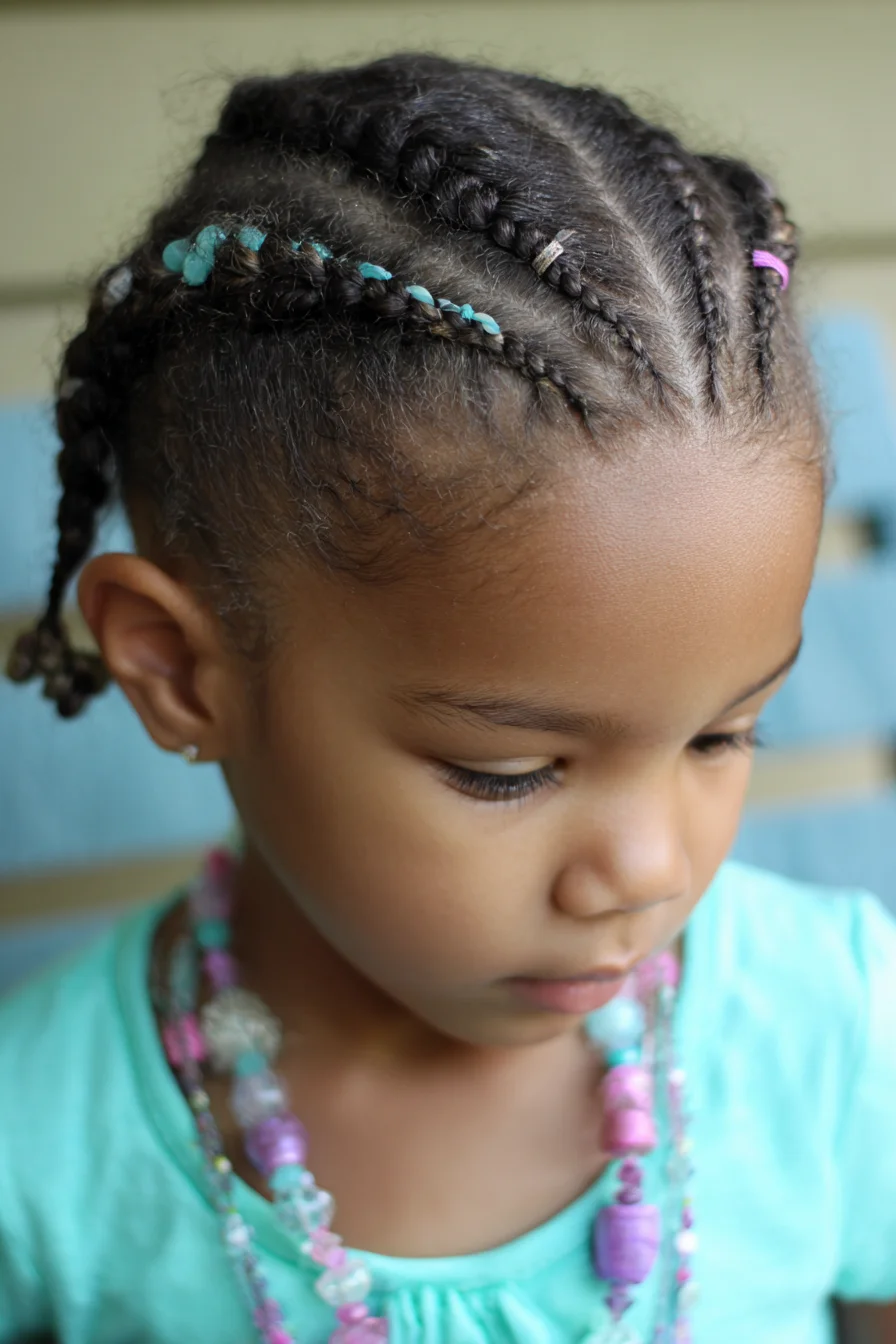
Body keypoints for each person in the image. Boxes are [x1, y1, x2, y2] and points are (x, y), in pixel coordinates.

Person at [1, 52, 894, 1344]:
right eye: (507, 770)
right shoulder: (42, 1157)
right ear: (180, 670)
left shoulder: (835, 1044)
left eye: (723, 733)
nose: (645, 870)